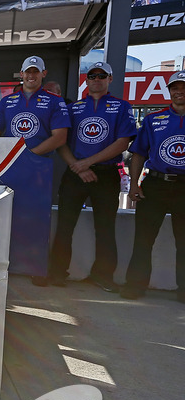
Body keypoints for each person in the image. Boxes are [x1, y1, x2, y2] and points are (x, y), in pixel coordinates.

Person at [47, 62, 137, 290]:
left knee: (105, 227)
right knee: (65, 225)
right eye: (92, 75)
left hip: (106, 175)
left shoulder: (122, 106)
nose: (96, 79)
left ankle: (103, 276)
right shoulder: (73, 108)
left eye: (102, 75)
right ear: (86, 81)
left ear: (110, 79)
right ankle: (56, 273)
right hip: (75, 173)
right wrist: (79, 167)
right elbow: (61, 142)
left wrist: (88, 163)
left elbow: (123, 143)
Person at [122, 70, 185, 303]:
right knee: (143, 239)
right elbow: (138, 153)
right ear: (169, 91)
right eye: (175, 88)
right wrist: (134, 184)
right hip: (156, 184)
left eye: (183, 87)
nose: (180, 92)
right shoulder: (153, 119)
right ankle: (135, 285)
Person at [0, 56, 69, 156]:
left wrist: (29, 154)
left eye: (35, 71)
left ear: (44, 73)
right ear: (21, 74)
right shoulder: (6, 101)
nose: (31, 75)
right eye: (28, 71)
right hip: (10, 162)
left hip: (40, 162)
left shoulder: (55, 100)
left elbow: (60, 137)